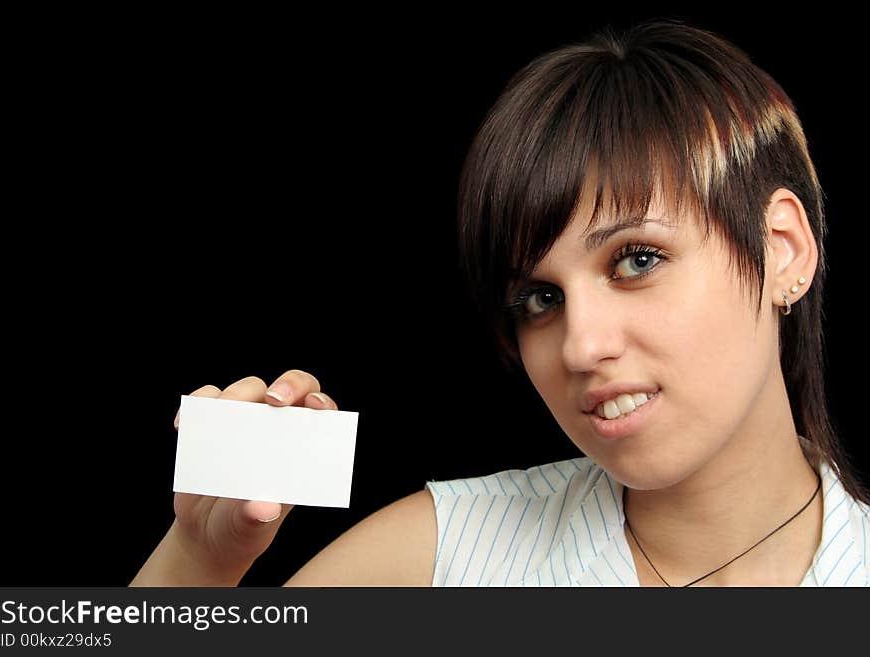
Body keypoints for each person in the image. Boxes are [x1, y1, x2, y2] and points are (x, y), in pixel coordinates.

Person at [131, 18, 870, 587]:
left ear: (782, 250)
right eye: (539, 298)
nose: (579, 346)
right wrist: (200, 557)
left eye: (637, 259)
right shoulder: (446, 551)